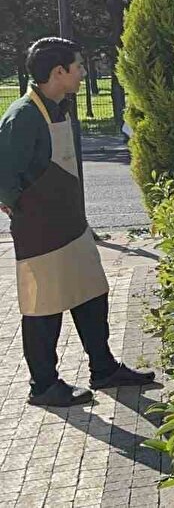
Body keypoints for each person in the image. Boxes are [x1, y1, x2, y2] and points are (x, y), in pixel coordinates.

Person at [0, 38, 154, 408]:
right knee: (43, 308)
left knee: (91, 292)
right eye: (79, 67)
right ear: (59, 72)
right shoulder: (23, 116)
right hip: (40, 230)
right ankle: (44, 386)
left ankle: (103, 369)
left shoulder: (60, 108)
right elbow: (4, 178)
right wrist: (20, 207)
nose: (84, 73)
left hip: (72, 223)